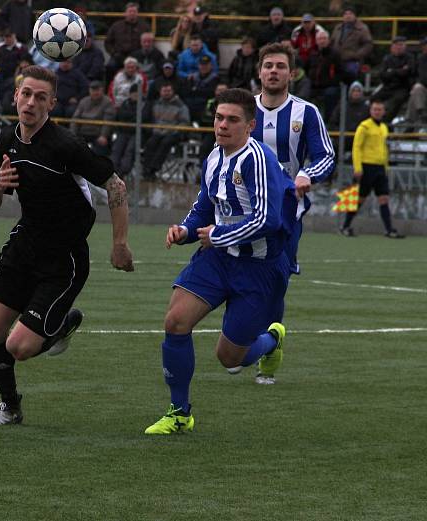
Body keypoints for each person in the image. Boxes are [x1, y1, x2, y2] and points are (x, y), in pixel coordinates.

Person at [0, 65, 134, 427]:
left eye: (40, 97)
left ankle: (59, 327)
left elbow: (115, 185)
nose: (30, 102)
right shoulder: (7, 138)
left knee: (19, 347)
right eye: (25, 94)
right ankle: (9, 407)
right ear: (16, 95)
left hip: (64, 257)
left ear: (52, 104)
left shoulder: (66, 145)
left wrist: (120, 244)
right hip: (25, 242)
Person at [144, 88, 296, 434]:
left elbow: (267, 219)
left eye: (232, 120)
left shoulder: (258, 160)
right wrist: (185, 230)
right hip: (216, 259)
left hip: (258, 270)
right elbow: (205, 206)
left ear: (250, 126)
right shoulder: (214, 156)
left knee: (230, 358)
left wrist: (217, 236)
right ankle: (180, 413)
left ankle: (272, 340)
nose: (223, 125)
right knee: (176, 321)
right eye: (218, 118)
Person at [252, 43, 334, 279]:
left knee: (276, 280)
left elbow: (326, 156)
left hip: (286, 209)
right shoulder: (244, 110)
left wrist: (307, 174)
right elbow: (221, 153)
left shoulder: (306, 112)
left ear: (292, 73)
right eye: (268, 66)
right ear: (259, 72)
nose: (273, 71)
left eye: (280, 66)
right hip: (244, 207)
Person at [340, 100, 405, 238]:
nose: (377, 112)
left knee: (384, 199)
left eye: (380, 109)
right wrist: (358, 167)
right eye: (375, 109)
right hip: (366, 167)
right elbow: (356, 148)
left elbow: (384, 149)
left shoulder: (384, 128)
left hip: (380, 168)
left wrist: (385, 167)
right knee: (359, 199)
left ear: (383, 111)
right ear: (371, 111)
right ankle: (345, 226)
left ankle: (389, 230)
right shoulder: (364, 126)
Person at [143, 82, 190, 179]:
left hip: (173, 133)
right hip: (158, 132)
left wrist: (172, 130)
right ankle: (146, 169)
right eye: (164, 91)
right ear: (160, 92)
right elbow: (153, 120)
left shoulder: (181, 106)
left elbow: (185, 122)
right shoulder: (156, 104)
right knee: (150, 143)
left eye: (168, 91)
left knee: (165, 143)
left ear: (173, 92)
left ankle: (154, 168)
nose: (166, 93)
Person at [104, 3, 150, 83]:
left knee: (144, 70)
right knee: (110, 67)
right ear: (125, 13)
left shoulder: (144, 27)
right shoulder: (116, 26)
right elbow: (107, 42)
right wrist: (114, 53)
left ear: (137, 13)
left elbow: (148, 42)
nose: (132, 13)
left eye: (134, 11)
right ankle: (108, 91)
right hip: (118, 55)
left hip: (137, 57)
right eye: (130, 11)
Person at [70, 80, 115, 156]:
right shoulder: (84, 101)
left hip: (98, 134)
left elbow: (108, 121)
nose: (95, 93)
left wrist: (103, 135)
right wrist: (72, 134)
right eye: (93, 90)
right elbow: (75, 119)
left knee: (99, 153)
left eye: (97, 90)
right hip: (83, 132)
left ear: (102, 90)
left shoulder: (108, 102)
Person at [329, 6, 373, 81]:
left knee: (350, 80)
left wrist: (357, 55)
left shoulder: (362, 28)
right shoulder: (338, 28)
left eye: (350, 13)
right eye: (345, 14)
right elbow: (332, 42)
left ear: (355, 16)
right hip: (337, 61)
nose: (348, 16)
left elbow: (368, 45)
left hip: (352, 62)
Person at [378, 36, 415, 123]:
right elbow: (382, 74)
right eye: (397, 45)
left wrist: (392, 71)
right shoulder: (387, 58)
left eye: (401, 45)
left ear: (405, 46)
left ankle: (385, 124)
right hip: (388, 86)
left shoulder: (410, 57)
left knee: (394, 103)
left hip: (403, 87)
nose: (399, 47)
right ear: (392, 47)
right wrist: (400, 70)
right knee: (372, 99)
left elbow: (409, 72)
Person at [405, 37, 427, 125]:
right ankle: (421, 116)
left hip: (424, 85)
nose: (425, 48)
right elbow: (421, 76)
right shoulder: (421, 59)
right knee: (416, 89)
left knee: (416, 91)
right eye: (424, 46)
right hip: (424, 88)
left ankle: (410, 123)